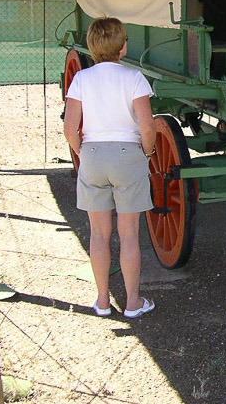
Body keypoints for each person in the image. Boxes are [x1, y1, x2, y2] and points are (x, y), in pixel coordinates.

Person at [63, 17, 157, 319]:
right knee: (129, 234)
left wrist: (83, 153)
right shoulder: (134, 78)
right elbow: (148, 128)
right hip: (128, 155)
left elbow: (69, 129)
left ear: (91, 47)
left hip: (91, 155)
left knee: (98, 234)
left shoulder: (81, 79)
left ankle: (102, 301)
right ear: (123, 46)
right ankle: (132, 303)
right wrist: (147, 154)